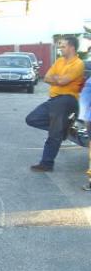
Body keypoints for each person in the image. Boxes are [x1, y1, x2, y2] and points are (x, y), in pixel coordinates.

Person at [25, 36, 84, 172]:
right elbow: (46, 77)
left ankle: (46, 163)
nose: (60, 49)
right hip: (54, 99)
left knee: (54, 134)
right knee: (32, 118)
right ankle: (62, 130)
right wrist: (58, 79)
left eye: (63, 46)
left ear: (72, 47)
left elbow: (63, 81)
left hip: (67, 100)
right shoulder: (59, 61)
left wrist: (56, 79)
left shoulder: (78, 63)